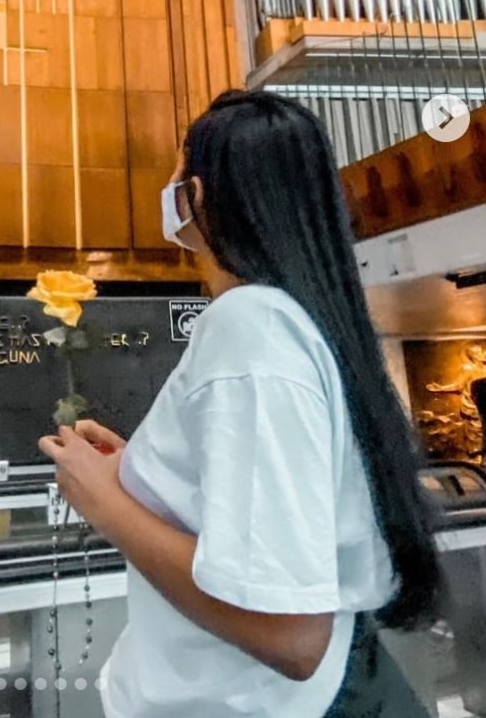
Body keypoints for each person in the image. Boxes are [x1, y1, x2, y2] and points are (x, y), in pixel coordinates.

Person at [39, 90, 440, 717]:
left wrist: (105, 502)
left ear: (197, 195)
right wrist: (143, 476)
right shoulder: (294, 319)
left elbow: (289, 632)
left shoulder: (251, 325)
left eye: (177, 174)